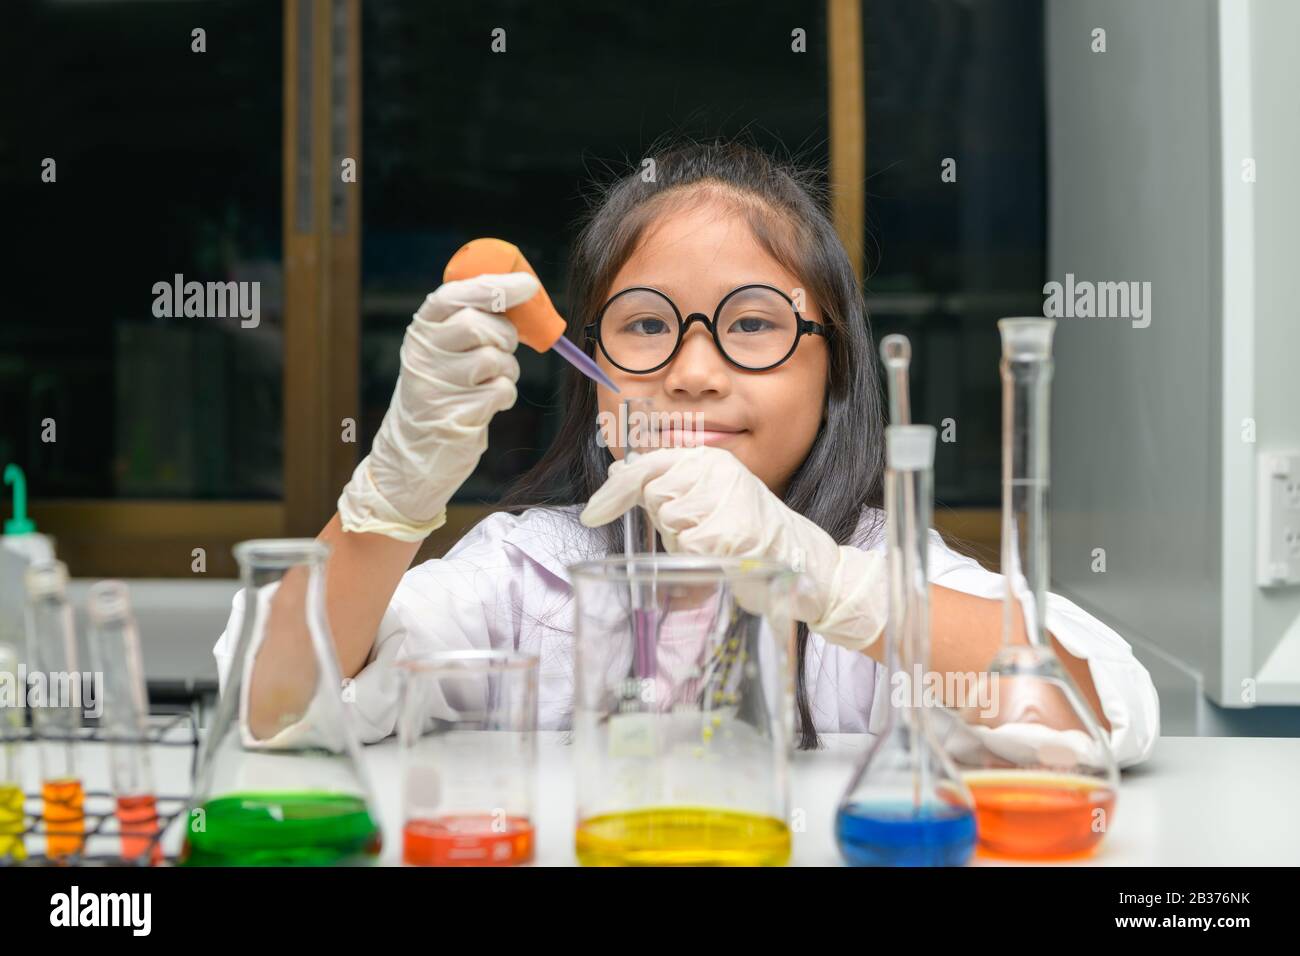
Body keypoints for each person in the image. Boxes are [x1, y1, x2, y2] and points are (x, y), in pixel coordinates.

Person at [214, 138, 1159, 766]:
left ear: (834, 371)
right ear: (586, 365)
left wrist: (827, 580)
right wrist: (393, 491)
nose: (696, 372)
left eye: (754, 323)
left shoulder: (878, 566)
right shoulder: (523, 575)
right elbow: (271, 704)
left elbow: (1099, 708)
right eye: (645, 325)